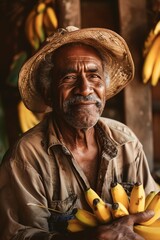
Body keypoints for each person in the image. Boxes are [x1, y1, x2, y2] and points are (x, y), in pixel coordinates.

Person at [0, 26, 159, 240]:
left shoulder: (126, 142)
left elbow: (151, 214)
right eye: (69, 78)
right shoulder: (26, 158)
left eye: (94, 76)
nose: (85, 89)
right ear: (48, 94)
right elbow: (17, 236)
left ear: (104, 87)